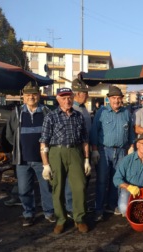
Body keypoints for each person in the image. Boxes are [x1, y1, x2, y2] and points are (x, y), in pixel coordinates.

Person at [39, 87, 90, 234]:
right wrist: (46, 164)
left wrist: (86, 159)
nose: (67, 100)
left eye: (69, 97)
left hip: (75, 152)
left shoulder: (79, 116)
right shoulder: (51, 116)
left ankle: (79, 218)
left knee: (79, 186)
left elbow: (85, 140)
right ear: (58, 99)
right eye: (63, 97)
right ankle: (61, 220)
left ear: (73, 98)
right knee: (58, 187)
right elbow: (44, 142)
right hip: (57, 152)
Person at [5, 81, 55, 227]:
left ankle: (49, 212)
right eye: (28, 95)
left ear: (39, 95)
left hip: (42, 160)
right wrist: (19, 147)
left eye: (34, 94)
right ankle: (28, 213)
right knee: (24, 190)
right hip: (23, 160)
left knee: (46, 187)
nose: (31, 97)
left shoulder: (47, 112)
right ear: (23, 97)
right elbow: (9, 134)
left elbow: (52, 134)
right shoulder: (17, 113)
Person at [90, 85, 135, 222]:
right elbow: (94, 131)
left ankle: (112, 204)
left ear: (122, 99)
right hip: (104, 150)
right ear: (109, 99)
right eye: (114, 98)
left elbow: (131, 133)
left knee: (117, 181)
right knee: (102, 180)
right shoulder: (101, 112)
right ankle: (99, 208)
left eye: (119, 98)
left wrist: (132, 146)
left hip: (121, 151)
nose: (116, 100)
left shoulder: (126, 113)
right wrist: (95, 150)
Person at [64, 78, 92, 218]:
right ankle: (70, 207)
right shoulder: (71, 109)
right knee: (72, 179)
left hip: (86, 149)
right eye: (84, 93)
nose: (86, 95)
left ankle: (81, 204)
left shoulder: (83, 108)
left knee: (84, 179)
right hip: (76, 150)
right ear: (77, 93)